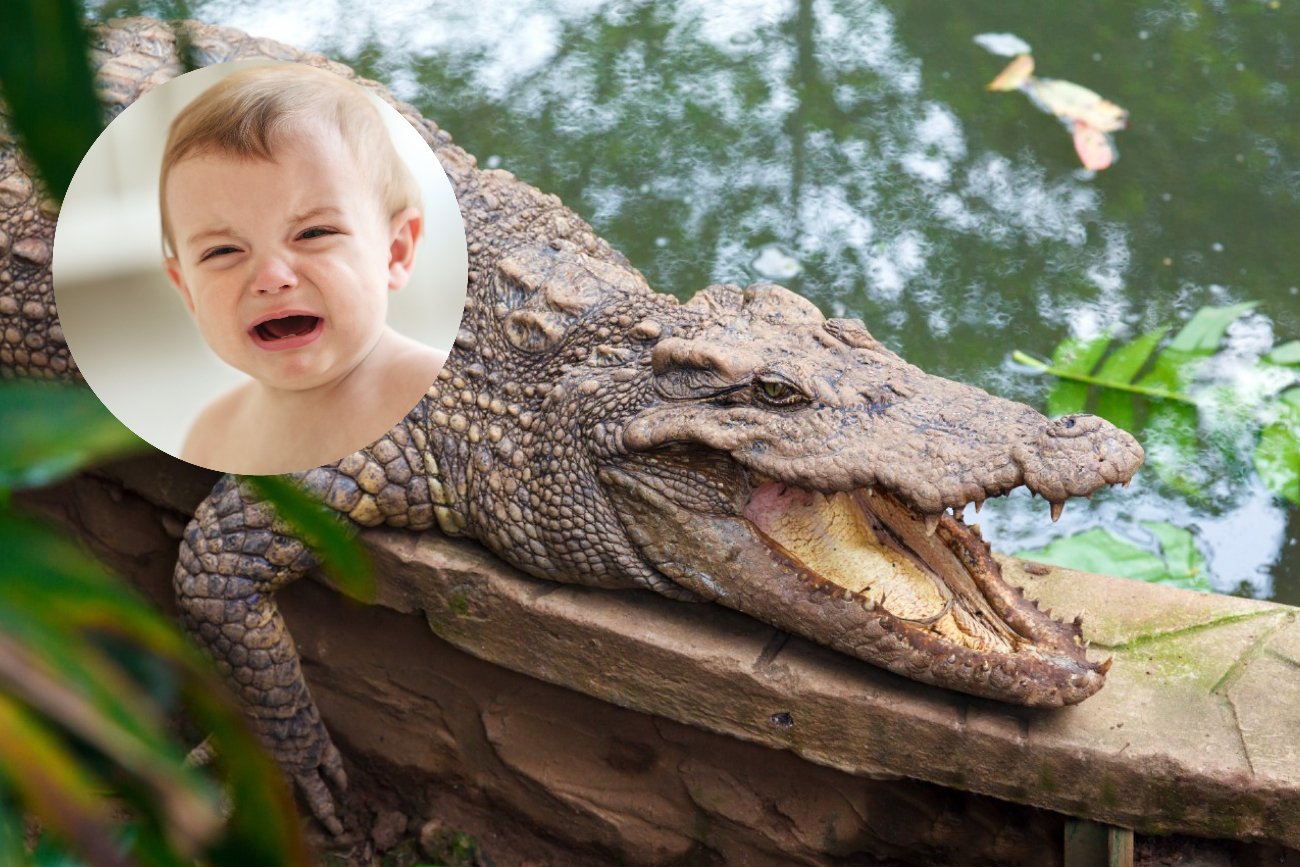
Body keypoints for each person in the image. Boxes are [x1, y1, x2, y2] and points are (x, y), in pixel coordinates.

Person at [159, 63, 447, 474]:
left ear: (395, 251)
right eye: (222, 251)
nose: (272, 278)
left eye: (313, 233)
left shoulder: (441, 391)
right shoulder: (211, 435)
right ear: (186, 289)